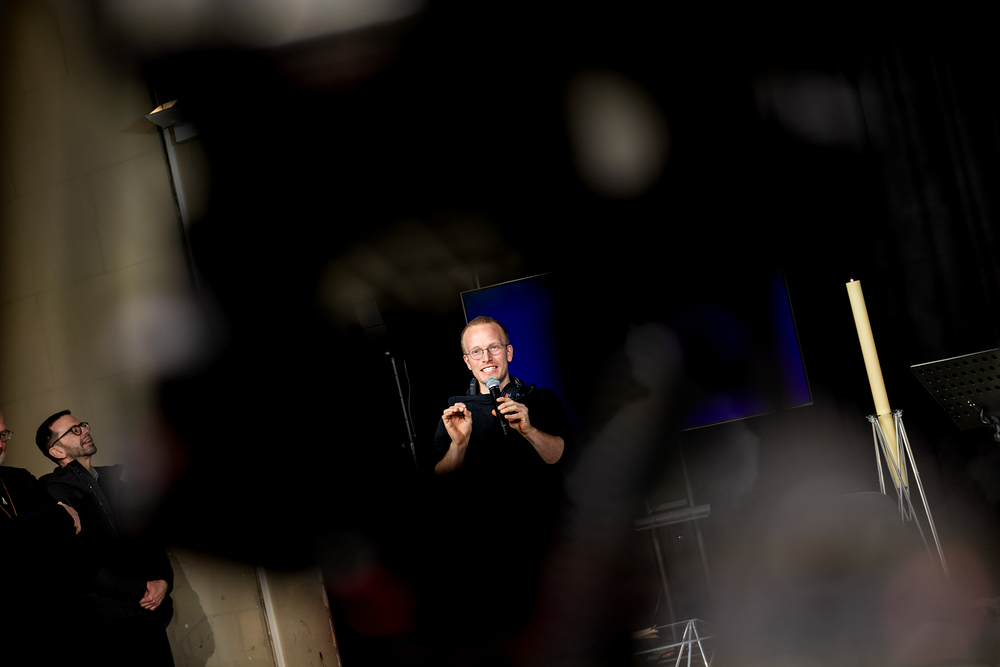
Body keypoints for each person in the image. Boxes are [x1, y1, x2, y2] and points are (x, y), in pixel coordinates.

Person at [427, 316, 574, 647]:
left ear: (508, 352)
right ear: (467, 362)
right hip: (487, 559)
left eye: (493, 347)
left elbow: (564, 458)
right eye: (476, 352)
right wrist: (459, 445)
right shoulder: (456, 413)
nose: (486, 358)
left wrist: (530, 431)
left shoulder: (542, 400)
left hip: (549, 547)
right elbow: (440, 482)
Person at [37, 411, 175, 667]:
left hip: (148, 616)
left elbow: (151, 539)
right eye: (74, 430)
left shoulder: (116, 483)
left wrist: (163, 579)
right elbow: (78, 560)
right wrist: (140, 588)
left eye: (82, 425)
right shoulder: (52, 492)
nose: (85, 430)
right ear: (57, 451)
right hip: (106, 626)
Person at [0, 409, 81, 662]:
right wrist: (55, 517)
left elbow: (67, 533)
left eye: (2, 435)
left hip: (53, 622)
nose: (0, 443)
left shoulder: (19, 478)